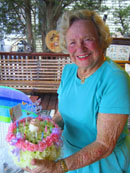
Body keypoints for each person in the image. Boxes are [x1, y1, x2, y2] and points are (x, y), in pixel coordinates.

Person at [25, 9, 130, 173]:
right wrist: (42, 132)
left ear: (101, 41)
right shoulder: (68, 71)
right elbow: (62, 115)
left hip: (102, 163)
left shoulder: (115, 79)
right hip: (67, 155)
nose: (80, 48)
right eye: (72, 42)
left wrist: (56, 168)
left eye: (88, 39)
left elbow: (104, 145)